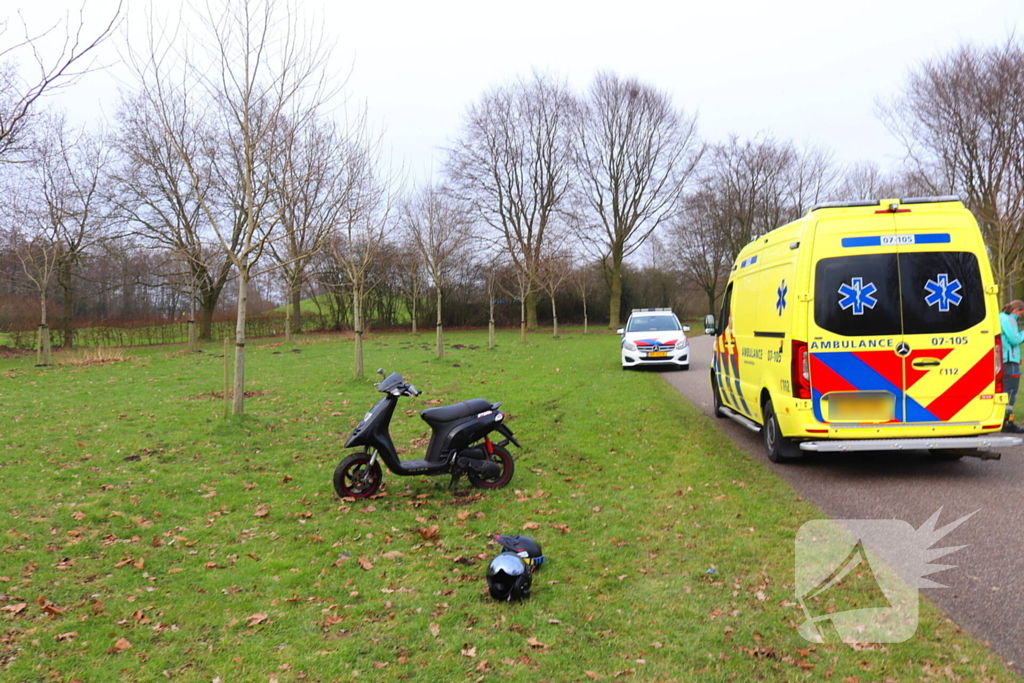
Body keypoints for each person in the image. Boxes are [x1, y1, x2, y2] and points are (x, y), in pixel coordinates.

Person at [999, 300, 1024, 432]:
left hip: (1002, 359)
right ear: (1017, 310)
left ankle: (1001, 420)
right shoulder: (1010, 320)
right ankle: (1008, 423)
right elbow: (1015, 339)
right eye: (1021, 314)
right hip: (1009, 361)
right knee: (1011, 392)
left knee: (1003, 391)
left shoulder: (1000, 317)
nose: (1020, 316)